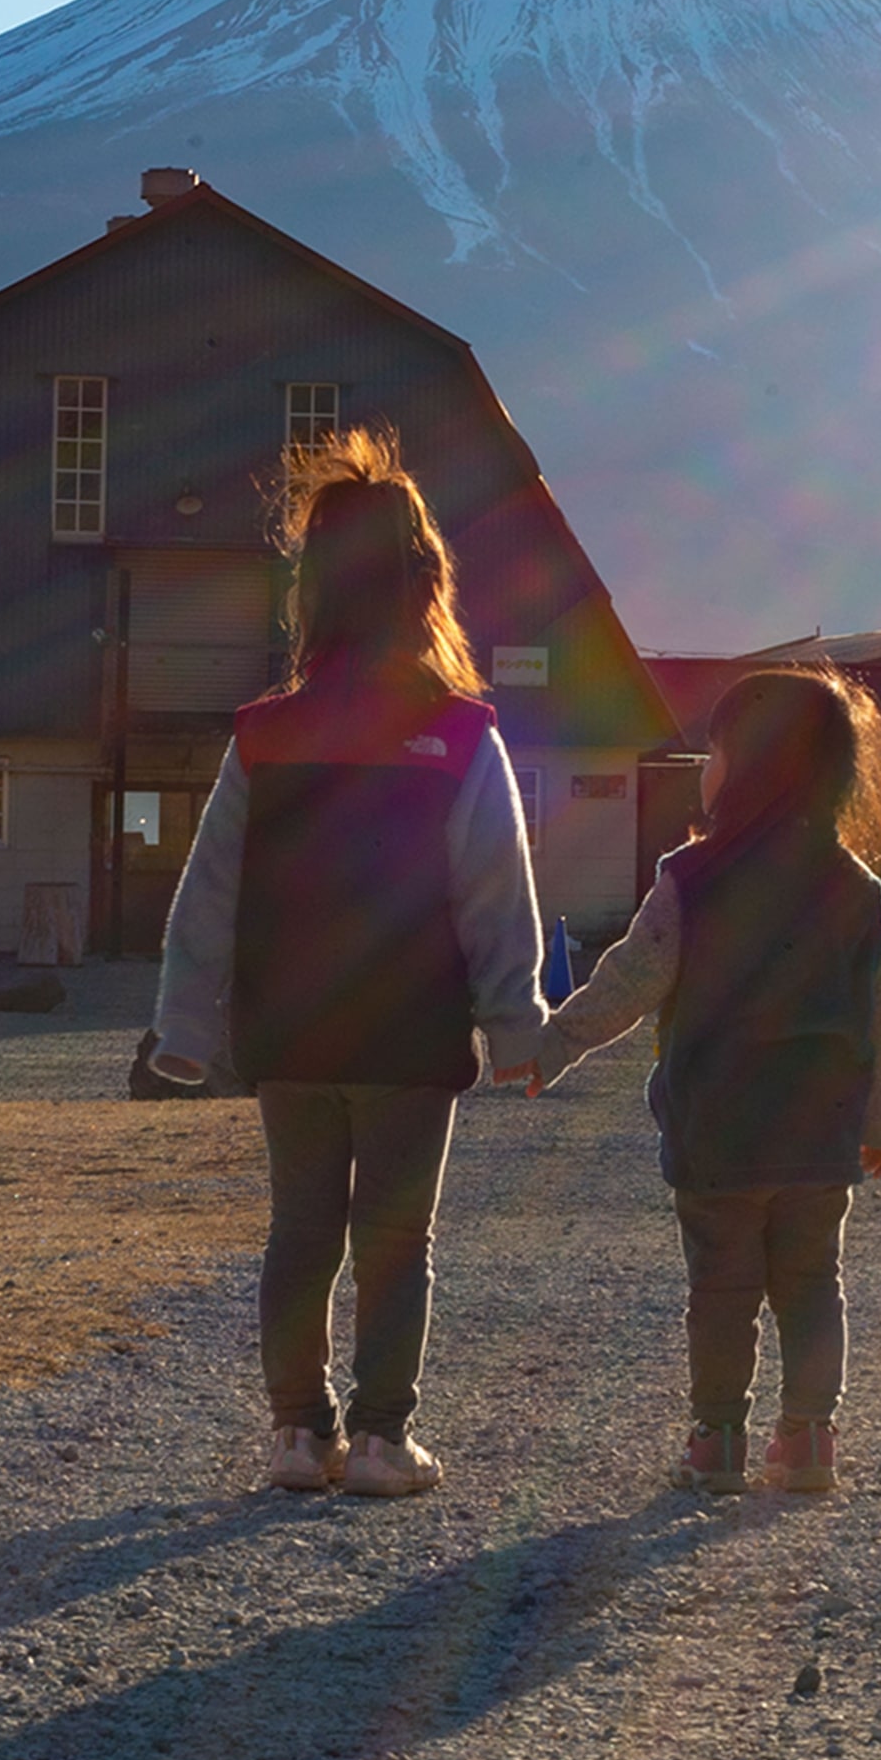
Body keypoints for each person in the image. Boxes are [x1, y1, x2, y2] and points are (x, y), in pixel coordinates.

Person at [147, 432, 550, 1501]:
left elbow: (210, 891)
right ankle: (378, 1438)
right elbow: (495, 896)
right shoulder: (460, 735)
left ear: (310, 590)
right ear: (426, 584)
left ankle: (294, 1432)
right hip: (409, 1035)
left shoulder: (263, 734)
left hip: (288, 1033)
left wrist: (185, 1029)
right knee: (394, 1237)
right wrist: (518, 1028)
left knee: (300, 1229)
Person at [542, 665, 881, 1496]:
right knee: (815, 1283)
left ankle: (717, 1441)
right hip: (822, 1136)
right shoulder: (858, 889)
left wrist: (553, 1042)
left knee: (722, 1289)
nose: (702, 769)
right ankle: (810, 1440)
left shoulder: (691, 877)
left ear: (743, 765)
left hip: (718, 1130)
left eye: (711, 752)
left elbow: (632, 981)